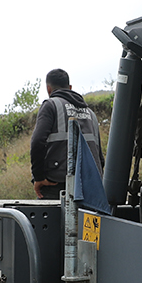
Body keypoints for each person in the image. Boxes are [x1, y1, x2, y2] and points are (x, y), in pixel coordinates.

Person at [29, 68, 103, 200]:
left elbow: (37, 142)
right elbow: (100, 156)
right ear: (69, 87)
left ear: (49, 89)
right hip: (90, 188)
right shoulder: (90, 113)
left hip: (57, 185)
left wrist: (38, 177)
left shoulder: (51, 105)